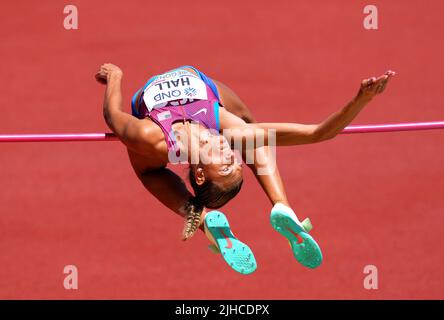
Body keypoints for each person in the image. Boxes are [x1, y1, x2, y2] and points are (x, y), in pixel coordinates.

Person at [95, 63, 395, 274]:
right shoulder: (230, 130)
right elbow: (317, 133)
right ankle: (280, 206)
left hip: (167, 126)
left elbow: (112, 114)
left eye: (226, 166)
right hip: (207, 97)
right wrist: (361, 100)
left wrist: (115, 77)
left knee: (147, 170)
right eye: (235, 163)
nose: (231, 156)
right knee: (248, 132)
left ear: (199, 173)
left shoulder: (152, 138)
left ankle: (200, 215)